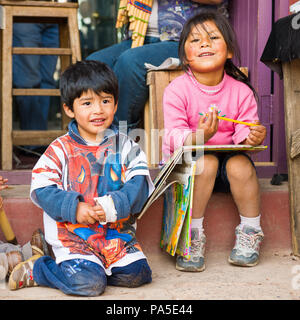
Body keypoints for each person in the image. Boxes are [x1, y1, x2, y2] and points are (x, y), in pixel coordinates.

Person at [8, 60, 154, 296]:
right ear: (69, 109)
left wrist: (114, 205)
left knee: (138, 274)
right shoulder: (60, 149)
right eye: (87, 103)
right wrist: (73, 208)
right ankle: (40, 269)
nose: (98, 110)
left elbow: (139, 184)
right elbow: (42, 187)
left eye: (106, 101)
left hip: (115, 236)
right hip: (74, 238)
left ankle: (94, 268)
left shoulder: (126, 146)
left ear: (116, 105)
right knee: (89, 284)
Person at [162, 11, 267, 272]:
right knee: (205, 162)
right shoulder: (177, 90)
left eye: (212, 37)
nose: (204, 44)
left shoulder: (241, 91)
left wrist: (251, 136)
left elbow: (245, 131)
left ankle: (250, 231)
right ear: (185, 56)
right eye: (195, 40)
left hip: (227, 171)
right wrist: (200, 136)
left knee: (240, 166)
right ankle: (192, 235)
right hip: (188, 172)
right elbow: (173, 136)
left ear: (229, 50)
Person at [87, 0, 227, 129]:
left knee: (130, 62)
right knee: (92, 66)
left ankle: (119, 139)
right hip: (139, 38)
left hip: (188, 40)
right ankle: (89, 138)